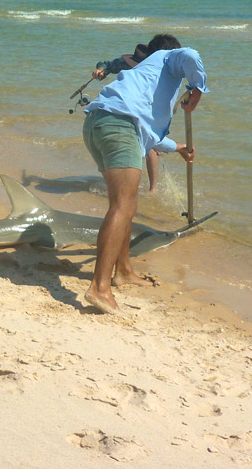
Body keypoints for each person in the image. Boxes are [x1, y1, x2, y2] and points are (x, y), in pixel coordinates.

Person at [82, 33, 209, 314]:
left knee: (124, 204)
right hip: (119, 125)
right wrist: (197, 89)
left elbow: (147, 135)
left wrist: (177, 147)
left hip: (98, 123)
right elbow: (190, 54)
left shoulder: (141, 76)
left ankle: (124, 271)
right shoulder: (167, 58)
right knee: (123, 205)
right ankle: (99, 288)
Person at [90, 41, 161, 192]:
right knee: (146, 148)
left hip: (143, 110)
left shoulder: (151, 74)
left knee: (151, 149)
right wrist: (100, 70)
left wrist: (159, 133)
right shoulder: (125, 64)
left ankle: (153, 189)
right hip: (125, 109)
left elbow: (159, 105)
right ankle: (119, 184)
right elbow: (106, 64)